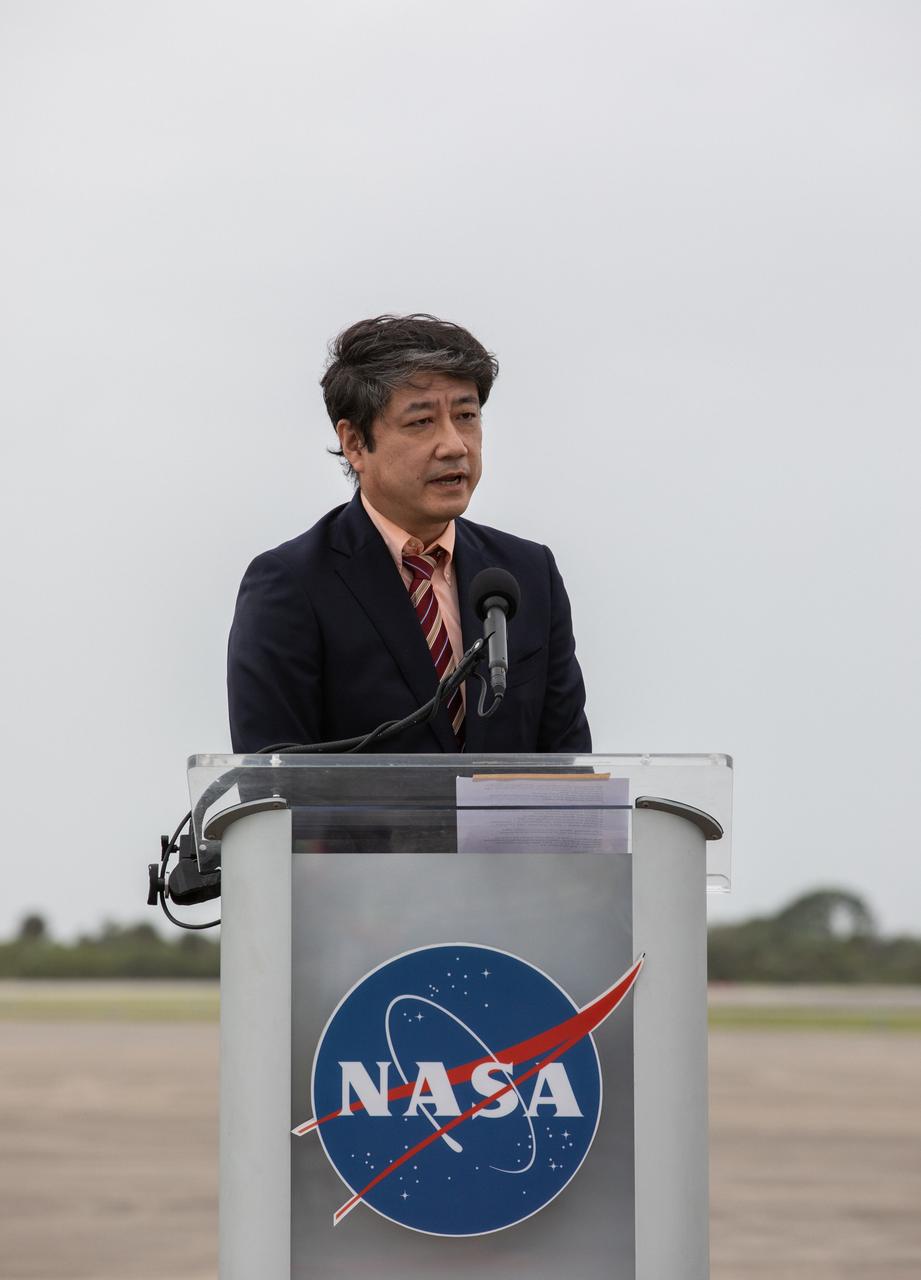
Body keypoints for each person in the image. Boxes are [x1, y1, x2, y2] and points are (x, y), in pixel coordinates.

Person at [227, 314, 591, 755]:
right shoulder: (292, 583)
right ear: (356, 443)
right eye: (422, 422)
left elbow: (569, 769)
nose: (455, 444)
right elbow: (272, 785)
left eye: (467, 416)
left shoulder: (527, 574)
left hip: (514, 829)